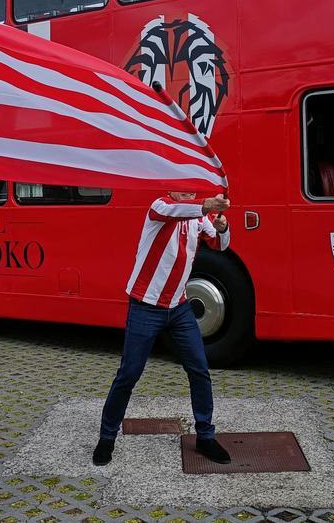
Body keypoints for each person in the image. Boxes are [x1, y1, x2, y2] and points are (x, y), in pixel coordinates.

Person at [93, 191, 232, 466]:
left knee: (199, 370)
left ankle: (205, 436)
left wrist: (223, 227)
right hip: (145, 305)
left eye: (192, 189)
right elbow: (174, 211)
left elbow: (219, 245)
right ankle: (106, 438)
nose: (188, 192)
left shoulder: (197, 215)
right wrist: (205, 205)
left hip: (178, 307)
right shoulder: (160, 206)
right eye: (183, 188)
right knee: (129, 374)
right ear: (171, 187)